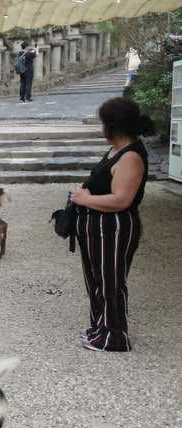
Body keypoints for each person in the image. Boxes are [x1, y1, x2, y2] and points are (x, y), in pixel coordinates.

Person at [71, 97, 154, 352]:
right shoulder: (116, 150)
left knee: (111, 281)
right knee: (96, 279)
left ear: (113, 126)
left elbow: (122, 199)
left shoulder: (130, 156)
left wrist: (86, 198)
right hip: (95, 226)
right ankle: (100, 327)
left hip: (113, 228)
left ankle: (115, 336)